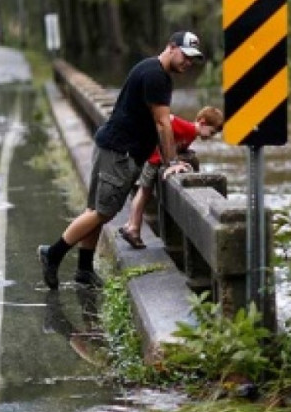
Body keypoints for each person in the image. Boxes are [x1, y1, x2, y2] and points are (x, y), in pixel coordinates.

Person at [38, 30, 203, 289]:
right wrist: (172, 163)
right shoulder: (156, 76)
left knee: (96, 210)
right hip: (120, 153)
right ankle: (54, 254)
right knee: (103, 211)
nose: (188, 62)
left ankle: (83, 269)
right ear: (171, 47)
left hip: (111, 146)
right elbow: (163, 124)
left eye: (193, 59)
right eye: (185, 55)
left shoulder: (150, 69)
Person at [117, 106, 224, 249]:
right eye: (211, 132)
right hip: (153, 160)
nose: (210, 136)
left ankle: (130, 225)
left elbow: (178, 145)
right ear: (202, 122)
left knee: (144, 193)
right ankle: (133, 228)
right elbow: (167, 122)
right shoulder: (187, 128)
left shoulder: (192, 134)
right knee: (143, 193)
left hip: (157, 161)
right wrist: (170, 161)